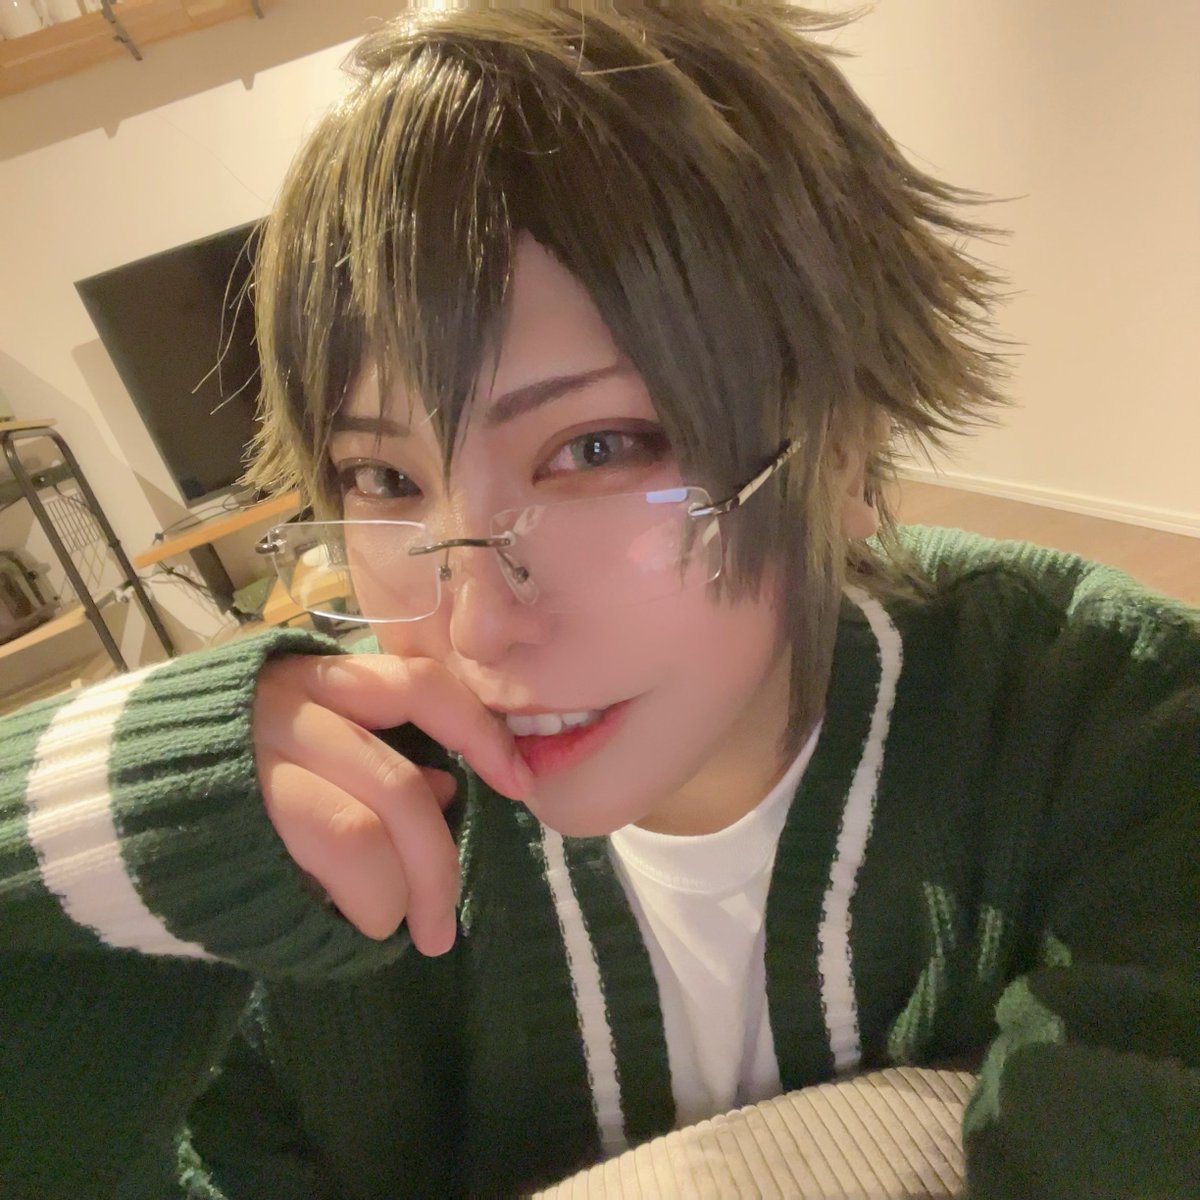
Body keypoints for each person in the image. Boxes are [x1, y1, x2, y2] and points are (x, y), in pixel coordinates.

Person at [2, 4, 1197, 1197]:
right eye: (385, 479)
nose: (475, 628)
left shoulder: (1107, 723)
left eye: (595, 449)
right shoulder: (334, 861)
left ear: (843, 446)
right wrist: (81, 812)